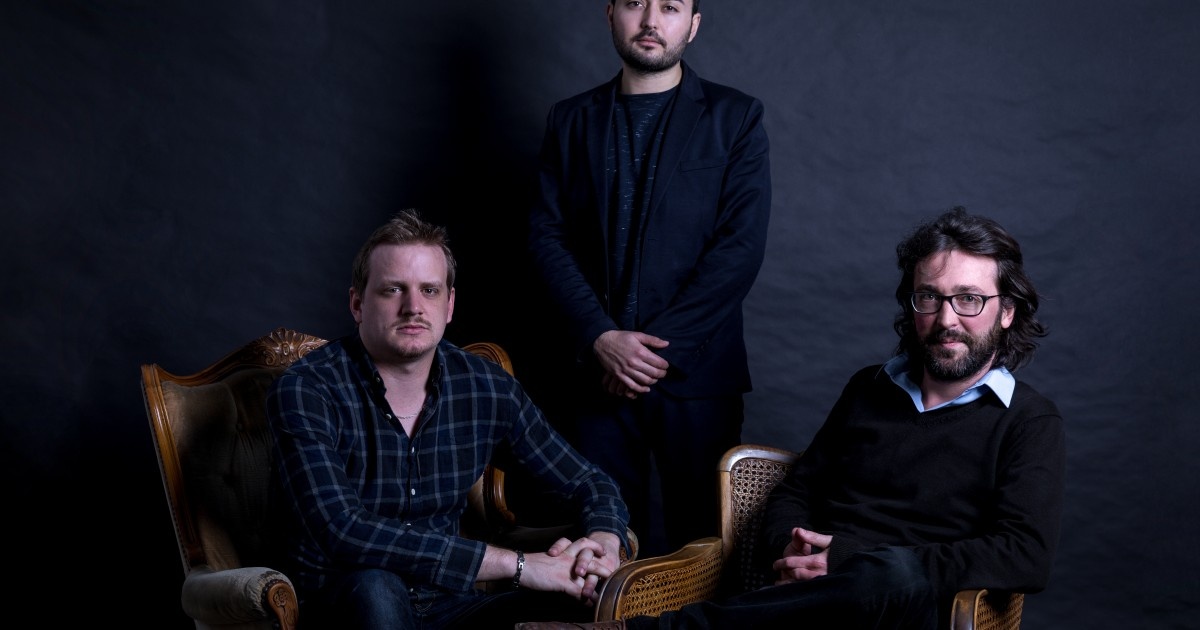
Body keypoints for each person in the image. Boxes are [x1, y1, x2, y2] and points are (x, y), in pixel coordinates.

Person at [516, 207, 1067, 630]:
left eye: (969, 299)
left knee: (892, 575)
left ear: (1006, 311)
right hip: (804, 598)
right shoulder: (870, 388)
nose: (947, 319)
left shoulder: (1027, 420)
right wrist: (792, 552)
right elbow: (795, 492)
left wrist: (847, 559)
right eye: (930, 298)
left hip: (908, 606)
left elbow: (1025, 555)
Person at [266, 209, 632, 629]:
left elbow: (590, 483)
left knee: (580, 599)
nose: (413, 307)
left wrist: (603, 541)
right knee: (376, 587)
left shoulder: (483, 387)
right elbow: (344, 530)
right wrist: (519, 565)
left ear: (450, 304)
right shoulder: (307, 389)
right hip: (345, 603)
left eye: (429, 290)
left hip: (450, 604)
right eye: (392, 290)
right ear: (357, 304)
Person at [528, 0, 771, 556]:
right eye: (635, 3)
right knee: (600, 548)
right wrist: (601, 338)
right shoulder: (570, 120)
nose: (650, 21)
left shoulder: (736, 117)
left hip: (697, 378)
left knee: (705, 553)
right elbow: (546, 239)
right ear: (610, 14)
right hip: (593, 378)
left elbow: (738, 250)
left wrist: (649, 356)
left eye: (670, 7)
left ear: (693, 24)